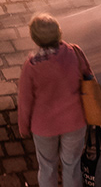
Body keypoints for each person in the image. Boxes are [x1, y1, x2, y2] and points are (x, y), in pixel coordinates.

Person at [16, 13, 92, 187]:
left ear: (34, 38)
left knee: (47, 166)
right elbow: (89, 76)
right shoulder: (75, 52)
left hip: (44, 127)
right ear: (59, 32)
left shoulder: (32, 66)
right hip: (75, 121)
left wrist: (24, 126)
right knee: (72, 165)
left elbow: (25, 100)